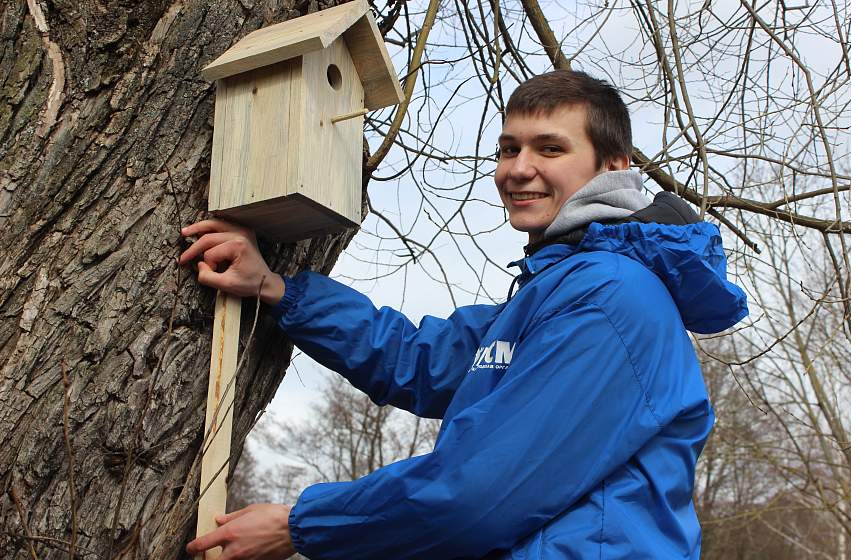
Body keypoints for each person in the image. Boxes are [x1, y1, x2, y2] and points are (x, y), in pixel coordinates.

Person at [182, 70, 748, 559]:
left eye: (549, 149)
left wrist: (300, 525)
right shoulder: (550, 292)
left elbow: (478, 492)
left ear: (614, 166)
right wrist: (279, 288)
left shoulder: (608, 297)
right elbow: (416, 359)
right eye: (508, 149)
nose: (517, 170)